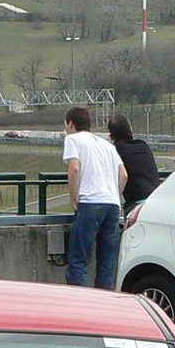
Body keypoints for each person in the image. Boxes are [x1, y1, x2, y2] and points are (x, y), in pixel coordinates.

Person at [62, 106, 126, 290]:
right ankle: (103, 303)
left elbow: (74, 169)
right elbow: (123, 175)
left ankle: (80, 302)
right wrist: (115, 194)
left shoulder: (72, 139)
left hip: (91, 202)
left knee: (78, 259)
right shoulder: (107, 144)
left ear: (71, 123)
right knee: (106, 261)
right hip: (112, 204)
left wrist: (73, 197)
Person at [106, 115, 160, 215]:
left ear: (111, 137)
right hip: (156, 199)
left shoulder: (115, 151)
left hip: (135, 204)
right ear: (131, 130)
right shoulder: (143, 146)